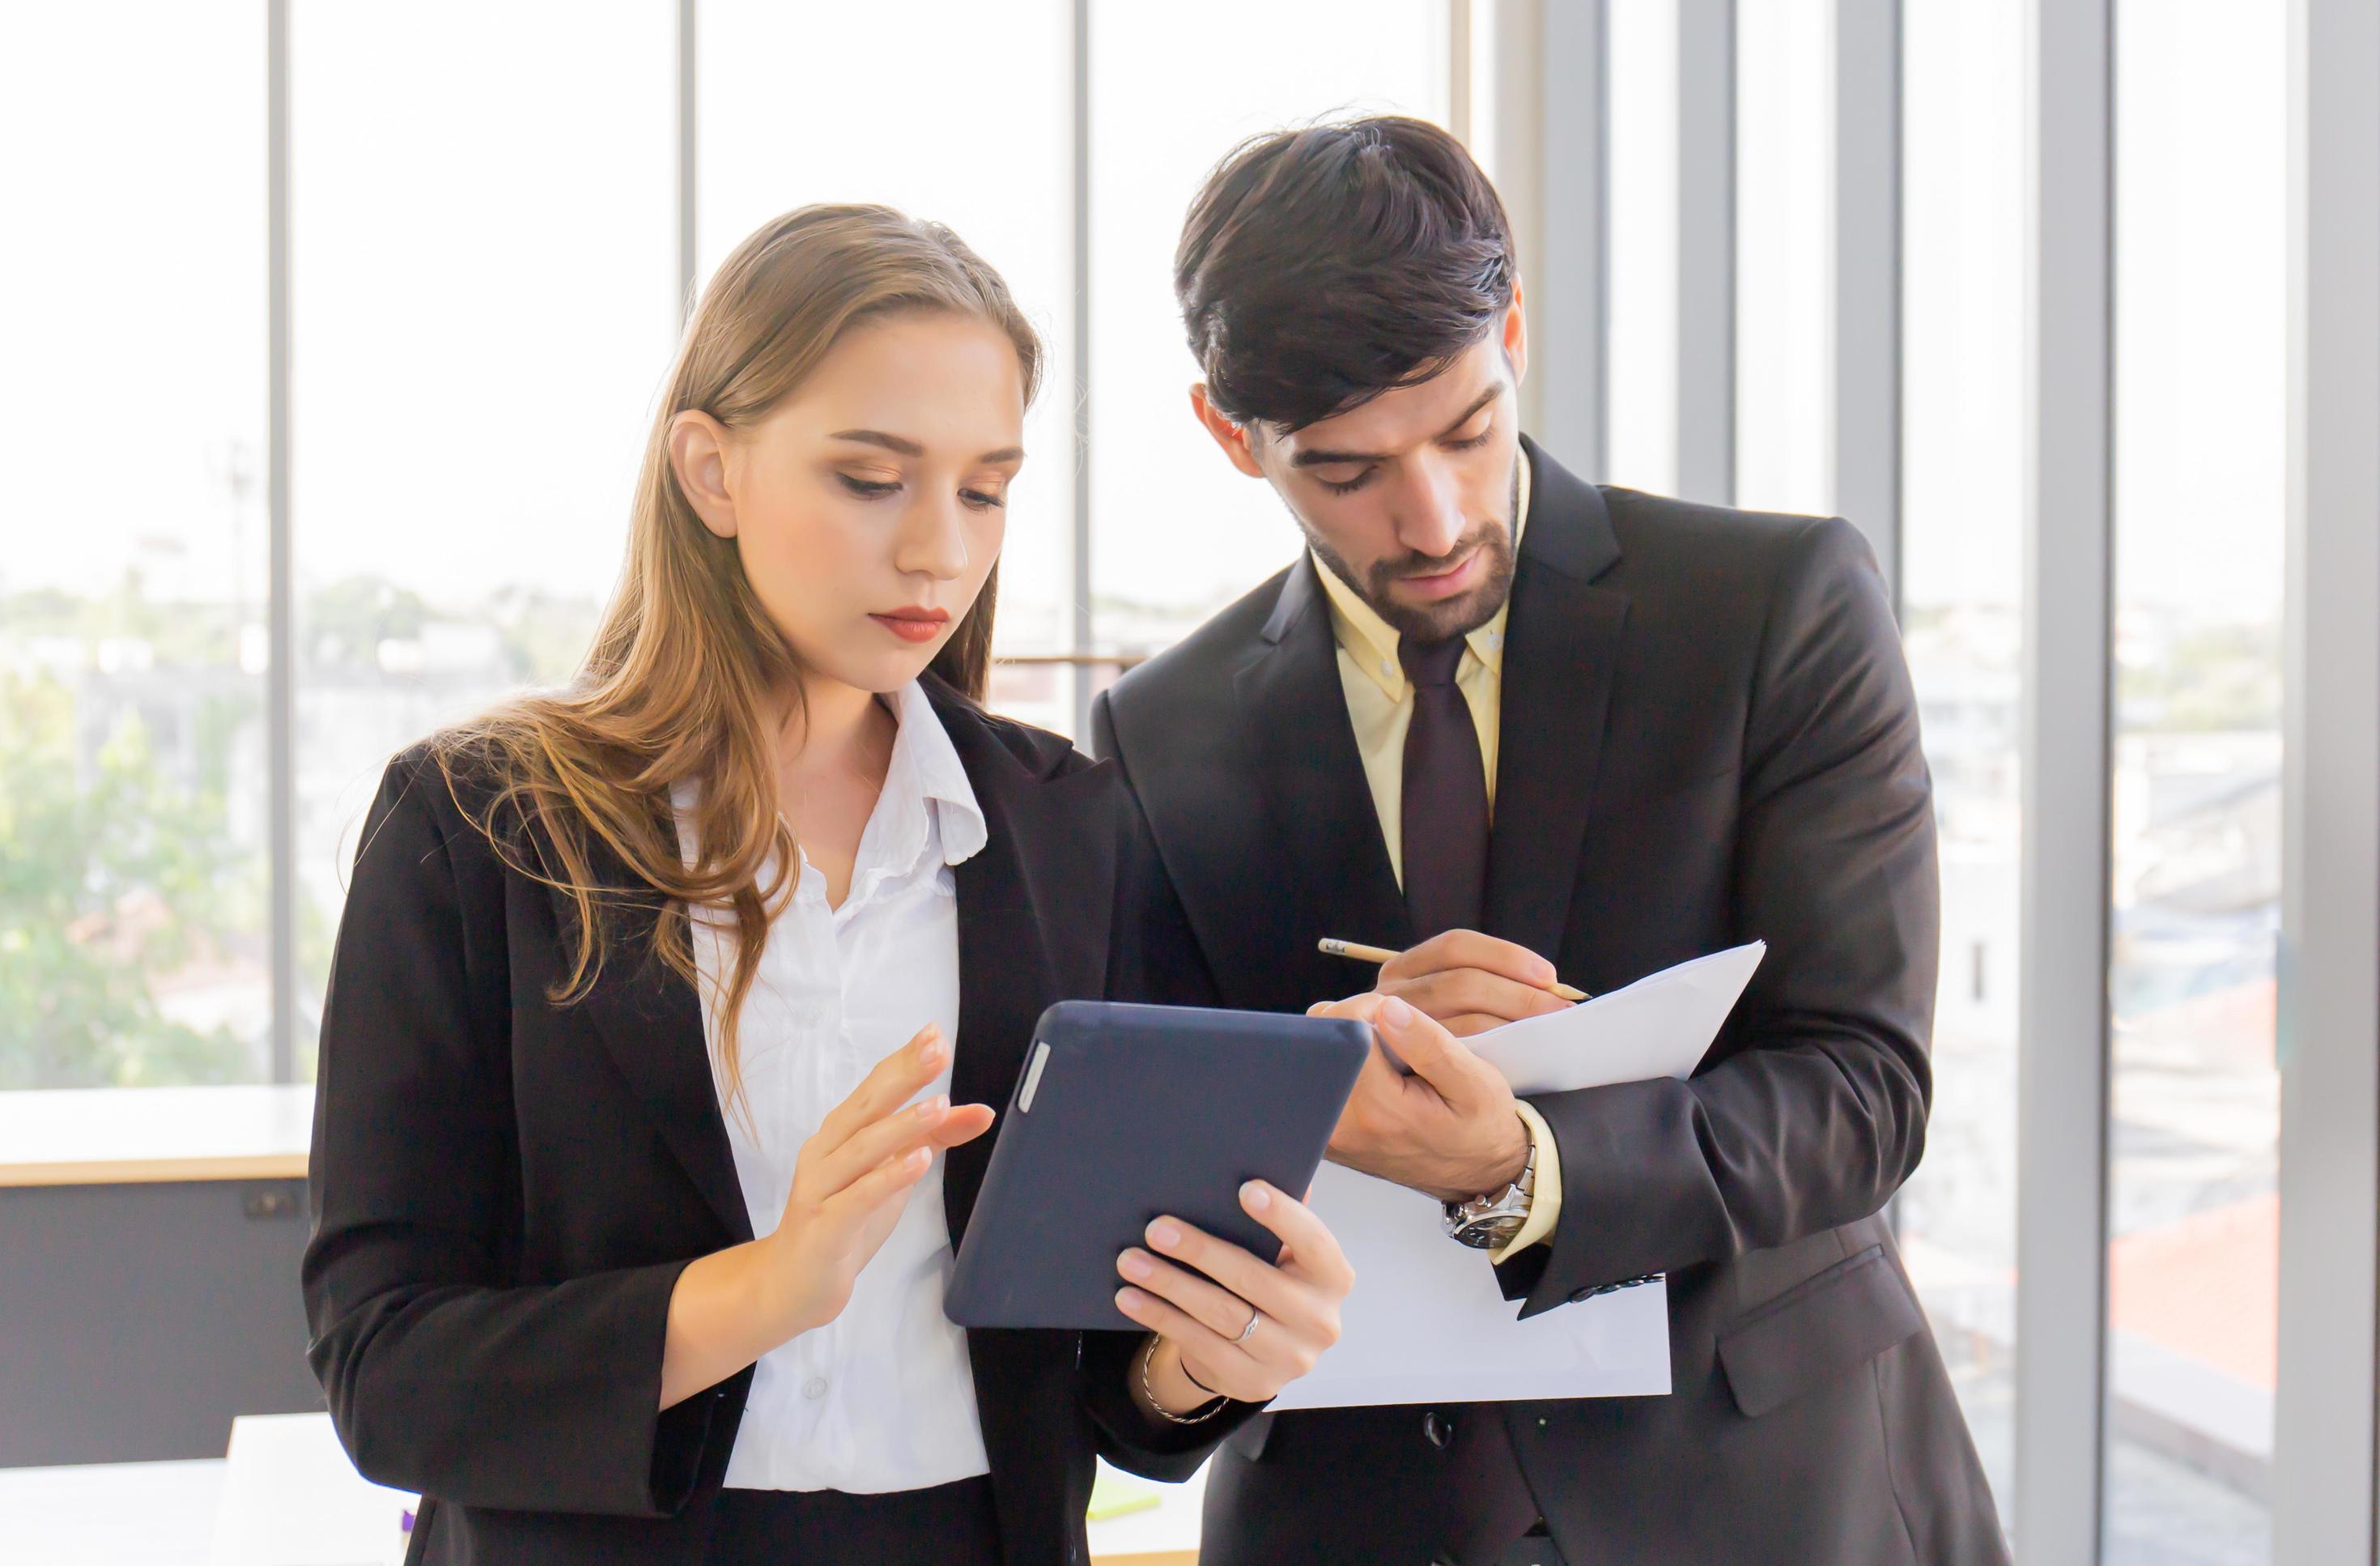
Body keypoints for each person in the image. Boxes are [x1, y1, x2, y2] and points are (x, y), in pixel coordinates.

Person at [301, 204, 1352, 1566]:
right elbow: (386, 1375)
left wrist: (1213, 1356)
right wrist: (764, 1290)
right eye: (872, 479)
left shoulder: (1068, 827)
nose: (940, 551)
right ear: (710, 470)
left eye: (984, 489)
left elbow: (1097, 1380)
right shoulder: (479, 828)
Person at [1094, 117, 2008, 1564]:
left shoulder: (1776, 607)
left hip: (1771, 1499)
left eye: (1467, 427)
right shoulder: (1157, 732)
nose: (1436, 517)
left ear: (1512, 332)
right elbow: (1143, 1262)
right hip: (1351, 1519)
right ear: (1228, 432)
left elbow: (1869, 1089)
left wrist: (1523, 1163)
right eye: (1347, 472)